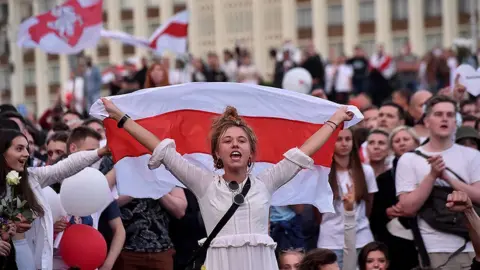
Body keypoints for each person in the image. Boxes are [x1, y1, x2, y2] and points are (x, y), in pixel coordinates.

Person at [101, 98, 353, 270]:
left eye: (242, 141)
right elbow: (160, 149)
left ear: (252, 153)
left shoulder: (267, 181)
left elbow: (305, 151)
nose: (235, 144)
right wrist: (121, 117)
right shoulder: (203, 183)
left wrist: (334, 120)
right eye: (228, 141)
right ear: (217, 154)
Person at [0, 129, 109, 269]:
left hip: (24, 254)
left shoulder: (31, 177)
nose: (26, 154)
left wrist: (99, 152)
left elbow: (63, 168)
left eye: (26, 149)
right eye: (19, 149)